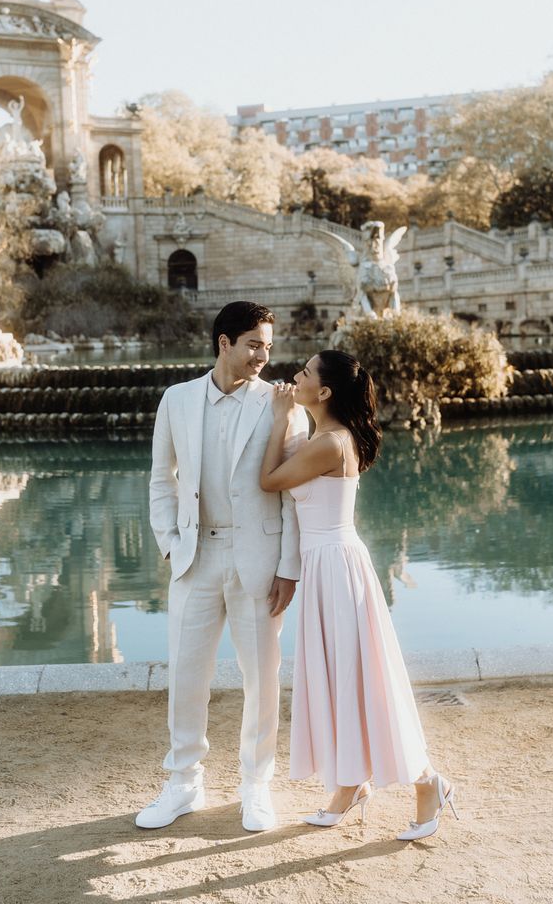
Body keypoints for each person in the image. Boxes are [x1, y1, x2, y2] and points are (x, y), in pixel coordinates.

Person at [260, 349, 459, 840]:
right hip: (329, 565)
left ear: (323, 392)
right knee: (341, 680)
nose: (295, 376)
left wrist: (279, 416)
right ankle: (350, 785)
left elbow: (267, 481)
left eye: (304, 373)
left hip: (337, 567)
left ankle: (429, 782)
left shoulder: (330, 442)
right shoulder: (323, 437)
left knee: (365, 680)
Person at [137, 301, 307, 833]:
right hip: (195, 557)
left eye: (269, 346)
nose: (263, 355)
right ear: (224, 343)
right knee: (187, 676)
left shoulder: (283, 405)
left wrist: (289, 566)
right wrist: (169, 544)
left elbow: (295, 495)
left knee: (262, 678)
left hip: (258, 559)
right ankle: (183, 782)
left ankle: (256, 787)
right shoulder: (177, 399)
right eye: (254, 344)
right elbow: (161, 478)